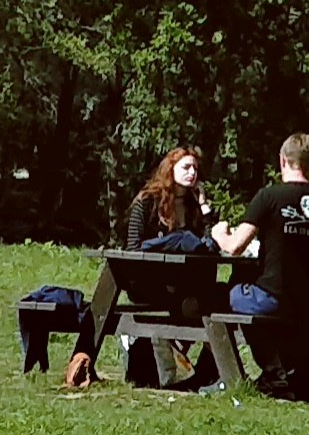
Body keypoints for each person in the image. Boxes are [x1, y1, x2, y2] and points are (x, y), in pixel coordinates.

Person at [61, 146, 234, 390]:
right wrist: (174, 242)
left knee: (220, 295)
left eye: (195, 168)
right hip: (148, 282)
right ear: (169, 169)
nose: (192, 173)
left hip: (182, 283)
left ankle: (210, 372)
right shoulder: (147, 201)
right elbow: (133, 249)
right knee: (184, 242)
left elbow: (209, 244)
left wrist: (204, 206)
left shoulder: (193, 205)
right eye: (186, 167)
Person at [226, 132, 309, 393]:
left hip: (273, 297)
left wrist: (219, 232)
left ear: (283, 160)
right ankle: (291, 367)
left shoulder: (269, 197)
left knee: (228, 294)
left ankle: (271, 370)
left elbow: (235, 247)